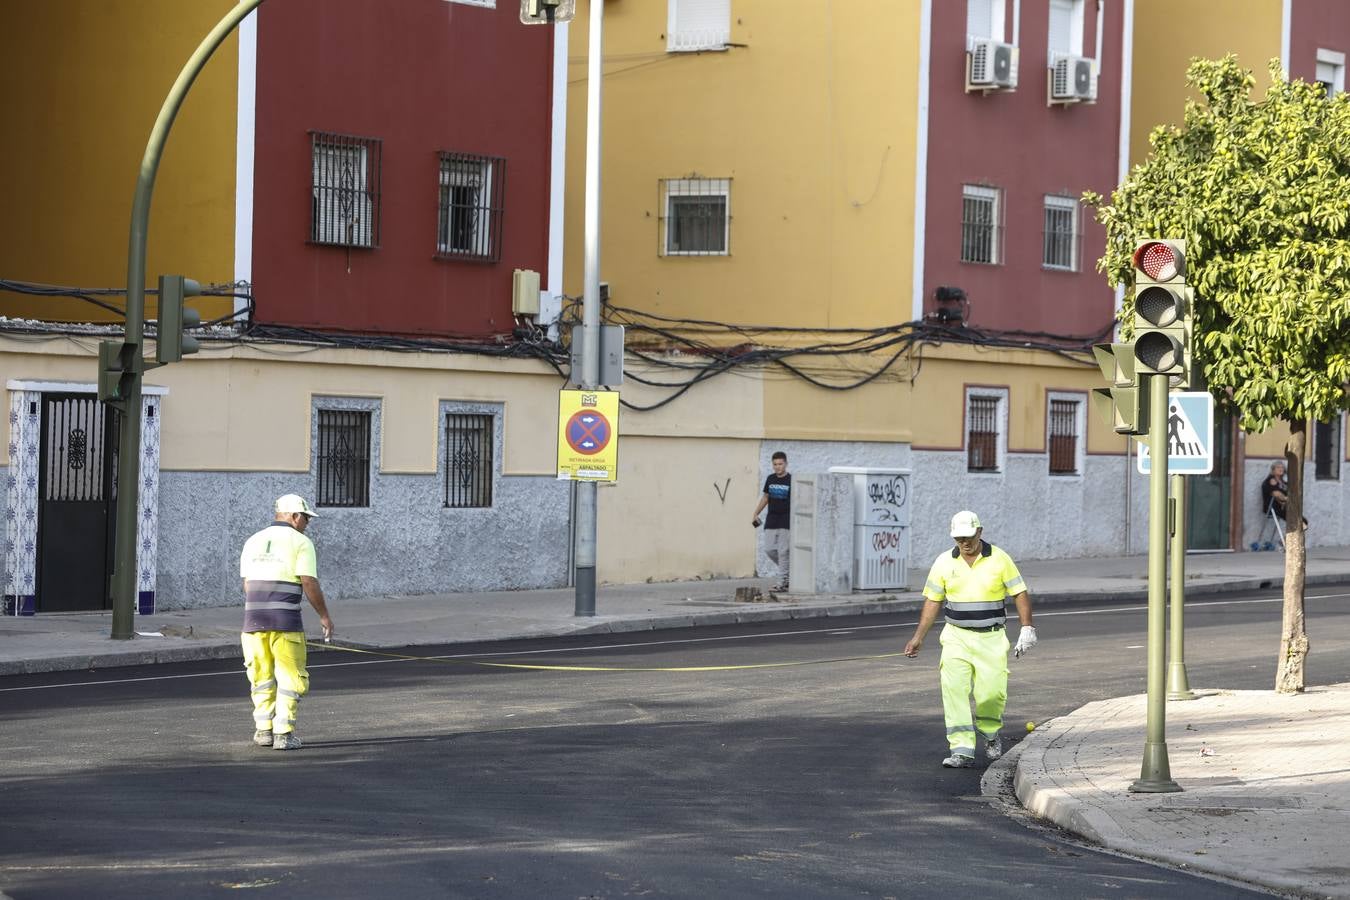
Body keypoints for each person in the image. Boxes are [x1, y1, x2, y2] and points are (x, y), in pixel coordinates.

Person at [903, 511, 1036, 768]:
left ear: (980, 532)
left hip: (991, 638)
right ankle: (961, 749)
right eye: (959, 538)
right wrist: (918, 637)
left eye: (968, 536)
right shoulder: (944, 562)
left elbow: (1019, 592)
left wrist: (1027, 628)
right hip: (956, 637)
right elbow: (933, 600)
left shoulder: (999, 559)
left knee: (991, 693)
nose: (964, 542)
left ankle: (990, 733)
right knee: (954, 690)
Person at [239, 494, 334, 751]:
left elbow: (247, 585)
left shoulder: (252, 541)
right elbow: (308, 582)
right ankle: (283, 733)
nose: (307, 524)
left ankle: (263, 730)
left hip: (253, 622)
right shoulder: (301, 543)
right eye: (306, 518)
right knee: (291, 677)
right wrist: (324, 616)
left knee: (261, 676)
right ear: (294, 516)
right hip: (286, 622)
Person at [751, 451, 792, 592]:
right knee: (769, 550)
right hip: (772, 519)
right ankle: (789, 572)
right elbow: (766, 498)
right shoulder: (770, 479)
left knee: (783, 551)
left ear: (786, 464)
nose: (778, 467)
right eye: (775, 464)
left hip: (786, 519)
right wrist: (756, 513)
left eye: (780, 464)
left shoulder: (791, 480)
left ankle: (782, 583)